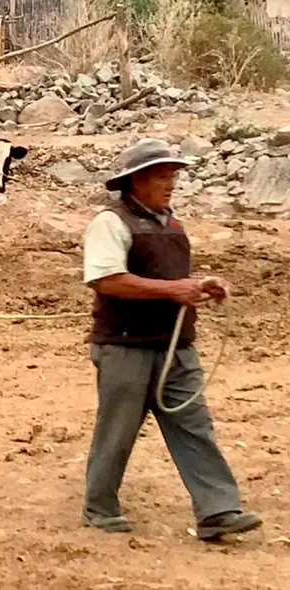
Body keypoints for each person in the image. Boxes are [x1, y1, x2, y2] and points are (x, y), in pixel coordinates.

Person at [80, 138, 262, 541]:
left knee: (195, 427)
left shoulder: (172, 224)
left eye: (172, 176)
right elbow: (107, 279)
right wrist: (175, 290)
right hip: (125, 345)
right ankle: (100, 507)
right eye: (162, 176)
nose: (170, 184)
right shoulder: (110, 223)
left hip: (176, 344)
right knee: (119, 429)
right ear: (135, 182)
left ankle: (218, 510)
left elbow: (173, 281)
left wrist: (200, 287)